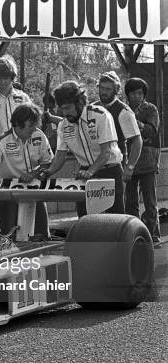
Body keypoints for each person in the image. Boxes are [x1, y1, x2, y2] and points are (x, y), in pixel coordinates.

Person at [0, 103, 54, 238]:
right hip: (9, 192)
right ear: (17, 124)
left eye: (35, 124)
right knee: (6, 238)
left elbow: (48, 162)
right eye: (30, 125)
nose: (34, 128)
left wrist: (33, 174)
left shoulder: (39, 135)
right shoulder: (1, 141)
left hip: (35, 189)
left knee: (42, 235)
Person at [40, 81, 124, 215]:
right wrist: (48, 172)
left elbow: (106, 152)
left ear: (79, 103)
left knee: (115, 220)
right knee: (85, 220)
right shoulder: (63, 125)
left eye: (68, 108)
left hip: (110, 172)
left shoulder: (101, 115)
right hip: (84, 174)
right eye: (62, 109)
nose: (64, 113)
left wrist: (90, 172)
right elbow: (60, 156)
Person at [124, 78, 161, 244]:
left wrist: (136, 123)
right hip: (129, 162)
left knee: (150, 202)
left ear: (144, 94)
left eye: (139, 93)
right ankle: (134, 235)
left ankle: (153, 235)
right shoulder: (123, 110)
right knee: (130, 202)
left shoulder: (151, 109)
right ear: (128, 94)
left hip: (148, 161)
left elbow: (152, 131)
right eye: (133, 93)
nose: (136, 96)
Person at [91, 71, 142, 186]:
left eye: (108, 89)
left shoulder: (123, 111)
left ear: (116, 90)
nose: (104, 92)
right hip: (94, 165)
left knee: (115, 202)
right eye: (102, 88)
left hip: (115, 165)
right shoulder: (93, 108)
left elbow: (137, 141)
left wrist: (130, 167)